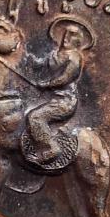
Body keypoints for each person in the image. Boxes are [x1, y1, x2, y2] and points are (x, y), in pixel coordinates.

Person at [27, 18, 95, 162]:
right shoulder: (55, 54)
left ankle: (51, 148)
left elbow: (64, 79)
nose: (66, 38)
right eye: (66, 34)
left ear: (78, 41)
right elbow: (41, 63)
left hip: (64, 101)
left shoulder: (74, 58)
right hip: (51, 99)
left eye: (72, 36)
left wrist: (46, 85)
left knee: (35, 117)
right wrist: (29, 59)